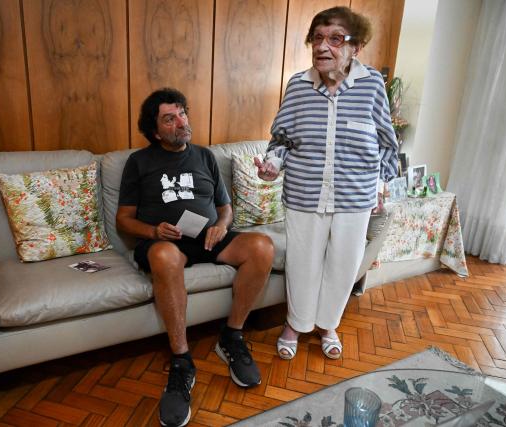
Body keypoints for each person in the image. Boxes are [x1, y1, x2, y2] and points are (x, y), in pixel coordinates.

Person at [117, 88, 274, 427]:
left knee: (262, 247)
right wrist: (154, 231)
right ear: (156, 131)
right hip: (165, 242)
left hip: (207, 238)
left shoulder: (204, 157)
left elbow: (226, 208)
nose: (180, 122)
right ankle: (182, 360)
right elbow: (124, 220)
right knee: (165, 257)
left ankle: (231, 337)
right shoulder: (139, 162)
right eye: (169, 119)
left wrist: (221, 225)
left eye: (182, 114)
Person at [255, 7, 398, 361]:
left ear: (355, 47)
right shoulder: (299, 86)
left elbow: (387, 142)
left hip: (355, 196)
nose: (323, 47)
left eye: (335, 38)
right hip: (304, 193)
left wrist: (383, 184)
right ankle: (295, 324)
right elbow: (281, 140)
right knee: (302, 263)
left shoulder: (371, 86)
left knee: (343, 266)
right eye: (317, 38)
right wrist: (272, 165)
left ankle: (328, 324)